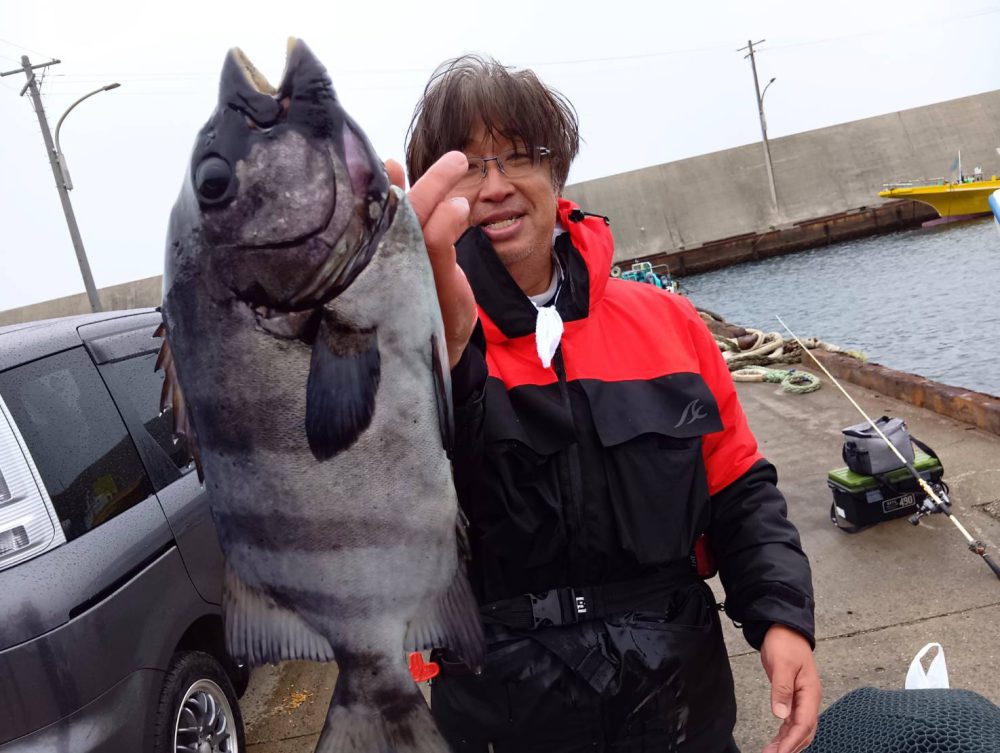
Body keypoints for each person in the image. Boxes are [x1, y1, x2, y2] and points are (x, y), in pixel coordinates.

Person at [385, 54, 820, 753]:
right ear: (437, 194)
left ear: (556, 171)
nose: (495, 186)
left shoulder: (668, 322)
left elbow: (739, 491)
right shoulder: (410, 346)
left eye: (519, 156)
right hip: (502, 712)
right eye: (469, 164)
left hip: (682, 702)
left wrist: (782, 619)